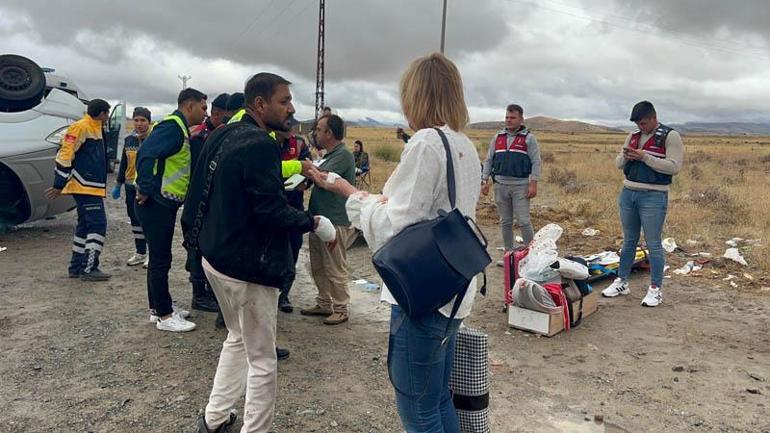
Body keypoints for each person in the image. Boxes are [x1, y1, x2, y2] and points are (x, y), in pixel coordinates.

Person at [316, 52, 481, 432]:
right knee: (438, 398)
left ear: (415, 95)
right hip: (454, 288)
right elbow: (428, 209)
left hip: (422, 295)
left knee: (417, 411)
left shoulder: (425, 142)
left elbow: (397, 226)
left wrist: (350, 194)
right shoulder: (464, 144)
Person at [183, 72, 335, 433]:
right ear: (260, 104)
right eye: (284, 101)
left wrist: (195, 243)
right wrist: (314, 222)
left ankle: (215, 418)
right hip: (247, 267)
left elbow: (198, 193)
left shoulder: (222, 133)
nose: (291, 108)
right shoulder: (260, 145)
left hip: (215, 259)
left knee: (237, 337)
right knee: (263, 359)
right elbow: (270, 211)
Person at [135, 88, 208, 332]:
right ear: (189, 106)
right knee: (160, 259)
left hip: (163, 202)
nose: (205, 113)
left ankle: (157, 309)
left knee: (158, 257)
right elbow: (147, 154)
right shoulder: (172, 127)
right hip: (156, 202)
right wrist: (145, 187)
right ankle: (165, 316)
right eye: (203, 108)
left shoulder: (177, 127)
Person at [601, 101, 683, 307]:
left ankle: (655, 289)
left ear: (654, 118)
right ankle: (622, 281)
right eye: (638, 124)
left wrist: (645, 157)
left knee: (653, 243)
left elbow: (674, 167)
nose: (641, 127)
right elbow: (619, 163)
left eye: (644, 123)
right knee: (629, 240)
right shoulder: (633, 136)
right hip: (629, 192)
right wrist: (627, 157)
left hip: (653, 196)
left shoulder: (670, 136)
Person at [45, 99, 112, 281]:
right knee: (98, 224)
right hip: (84, 186)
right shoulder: (80, 127)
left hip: (90, 186)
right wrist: (59, 183)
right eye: (107, 114)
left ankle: (76, 267)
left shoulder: (95, 127)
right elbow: (65, 155)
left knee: (84, 225)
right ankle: (90, 267)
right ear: (102, 114)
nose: (107, 118)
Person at [300, 114, 357, 326]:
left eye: (319, 129)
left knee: (334, 265)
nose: (315, 133)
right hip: (319, 218)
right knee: (318, 264)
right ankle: (324, 302)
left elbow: (322, 176)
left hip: (335, 220)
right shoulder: (329, 154)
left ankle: (341, 307)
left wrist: (306, 168)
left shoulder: (343, 155)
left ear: (329, 133)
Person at [185, 92, 231, 316]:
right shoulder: (199, 138)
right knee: (195, 246)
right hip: (199, 201)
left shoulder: (226, 135)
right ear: (217, 113)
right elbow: (195, 172)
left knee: (213, 246)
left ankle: (212, 290)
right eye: (225, 115)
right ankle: (198, 293)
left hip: (215, 202)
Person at [481, 104, 541, 263]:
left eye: (512, 117)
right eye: (507, 117)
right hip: (500, 185)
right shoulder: (497, 137)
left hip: (520, 186)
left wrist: (533, 183)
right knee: (505, 221)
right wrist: (484, 180)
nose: (508, 120)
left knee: (523, 221)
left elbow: (536, 162)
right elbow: (488, 160)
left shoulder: (529, 138)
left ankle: (531, 257)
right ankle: (509, 256)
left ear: (521, 119)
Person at [275, 119, 312, 313]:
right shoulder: (267, 142)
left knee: (294, 249)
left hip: (295, 205)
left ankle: (284, 294)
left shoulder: (299, 144)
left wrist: (306, 183)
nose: (288, 132)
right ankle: (272, 292)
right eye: (285, 128)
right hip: (273, 206)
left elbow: (309, 167)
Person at [111, 107, 152, 267]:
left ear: (149, 122)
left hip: (145, 188)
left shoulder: (153, 139)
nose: (139, 123)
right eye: (136, 120)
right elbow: (124, 164)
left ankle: (151, 253)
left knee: (147, 221)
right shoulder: (129, 140)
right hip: (130, 187)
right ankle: (140, 253)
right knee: (134, 220)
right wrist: (118, 184)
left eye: (143, 120)